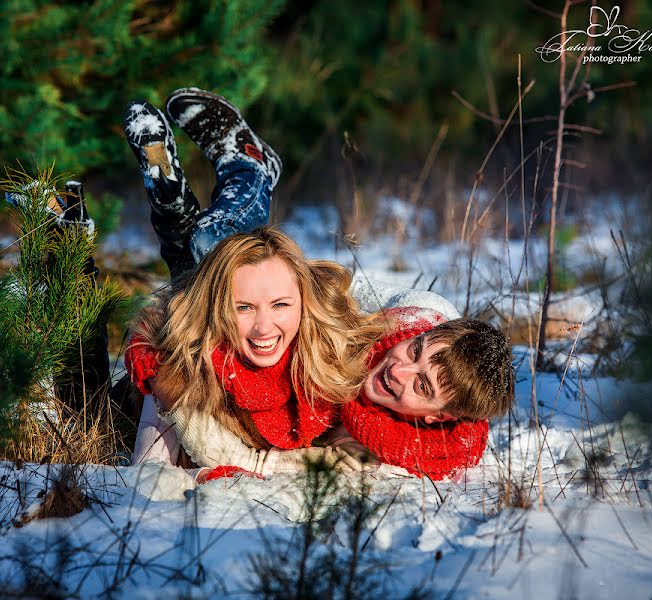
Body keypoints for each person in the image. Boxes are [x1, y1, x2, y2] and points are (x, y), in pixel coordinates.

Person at [121, 88, 515, 481]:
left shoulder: (388, 454)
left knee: (195, 277)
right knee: (216, 253)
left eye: (422, 385)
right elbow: (342, 290)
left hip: (235, 393)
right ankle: (248, 168)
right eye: (415, 351)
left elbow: (269, 466)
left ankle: (196, 200)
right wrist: (289, 294)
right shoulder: (405, 319)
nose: (400, 369)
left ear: (438, 417)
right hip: (291, 312)